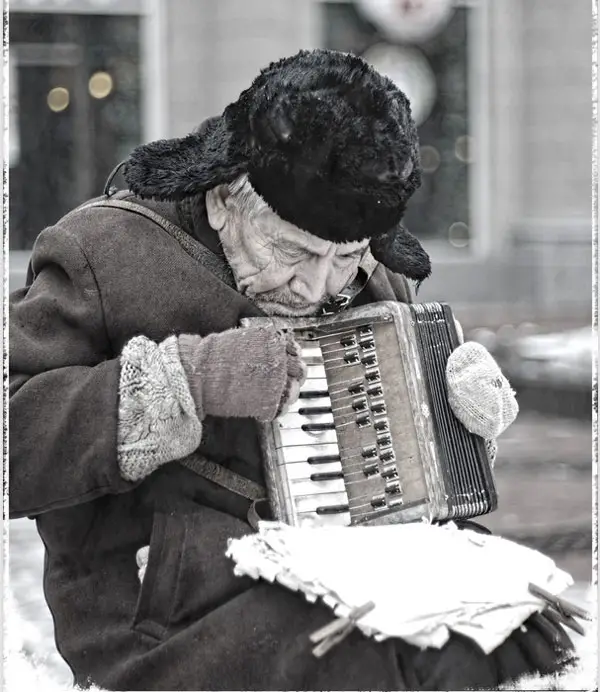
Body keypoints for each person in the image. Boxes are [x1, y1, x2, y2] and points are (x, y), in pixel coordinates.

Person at [9, 49, 574, 691]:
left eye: (347, 258)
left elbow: (400, 472)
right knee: (355, 662)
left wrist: (457, 428)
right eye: (293, 252)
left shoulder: (369, 275)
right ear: (226, 196)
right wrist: (187, 380)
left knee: (517, 631)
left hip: (357, 570)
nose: (316, 285)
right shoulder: (100, 251)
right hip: (168, 602)